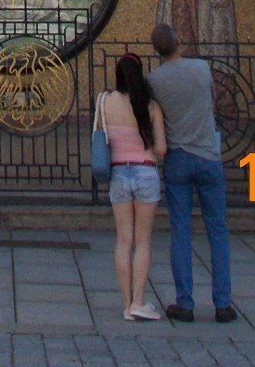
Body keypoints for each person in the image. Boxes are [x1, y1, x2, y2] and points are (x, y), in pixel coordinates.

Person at [147, 23, 235, 323]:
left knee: (181, 231)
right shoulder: (200, 69)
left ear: (156, 50)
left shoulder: (155, 80)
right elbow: (210, 103)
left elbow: (155, 115)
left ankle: (185, 302)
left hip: (179, 157)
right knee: (217, 230)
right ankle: (223, 303)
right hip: (208, 155)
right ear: (178, 42)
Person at [97, 53, 167, 322]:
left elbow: (102, 134)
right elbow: (160, 148)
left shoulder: (105, 101)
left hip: (118, 172)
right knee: (143, 240)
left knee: (123, 240)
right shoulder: (150, 107)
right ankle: (139, 300)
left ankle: (127, 304)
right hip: (146, 173)